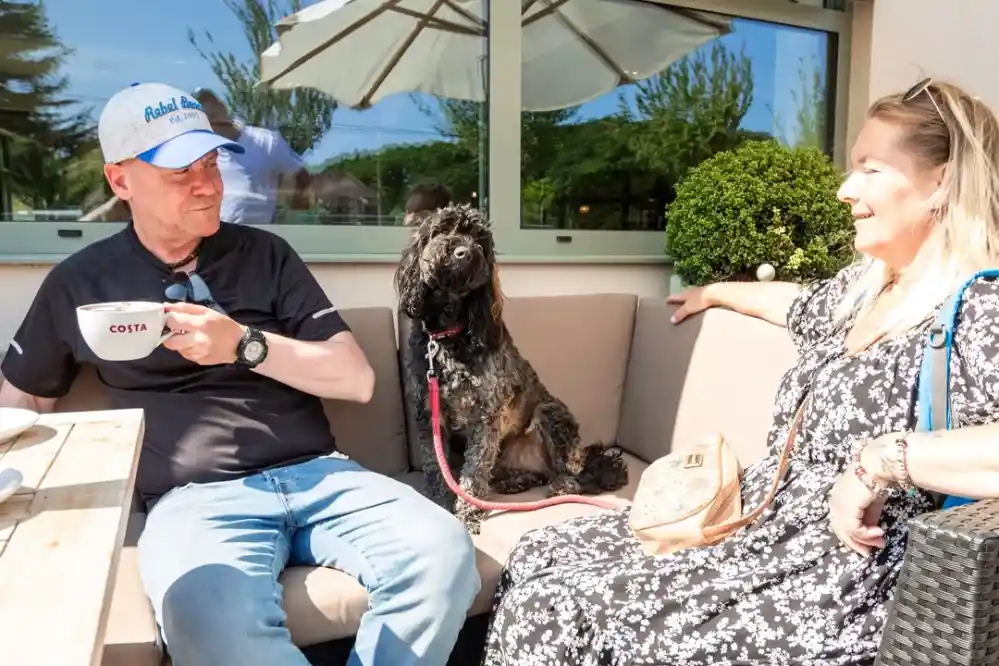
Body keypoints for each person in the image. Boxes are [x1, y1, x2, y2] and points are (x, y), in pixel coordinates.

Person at [480, 78, 999, 665]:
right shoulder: (864, 290)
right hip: (756, 524)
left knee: (558, 605)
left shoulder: (978, 307)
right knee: (543, 551)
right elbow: (792, 303)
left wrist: (885, 458)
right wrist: (714, 293)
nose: (845, 190)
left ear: (943, 181)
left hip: (834, 575)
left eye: (870, 169)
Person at [0, 82, 479, 666]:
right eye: (181, 172)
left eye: (210, 162)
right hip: (194, 500)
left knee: (443, 553)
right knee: (206, 616)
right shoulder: (80, 283)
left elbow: (355, 379)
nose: (209, 184)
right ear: (121, 182)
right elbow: (19, 404)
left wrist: (243, 345)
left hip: (323, 479)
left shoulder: (267, 254)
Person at [192, 88, 313, 225]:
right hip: (216, 238)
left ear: (223, 107)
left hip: (258, 236)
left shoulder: (266, 141)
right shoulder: (199, 154)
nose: (207, 110)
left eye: (209, 102)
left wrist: (292, 215)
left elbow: (302, 176)